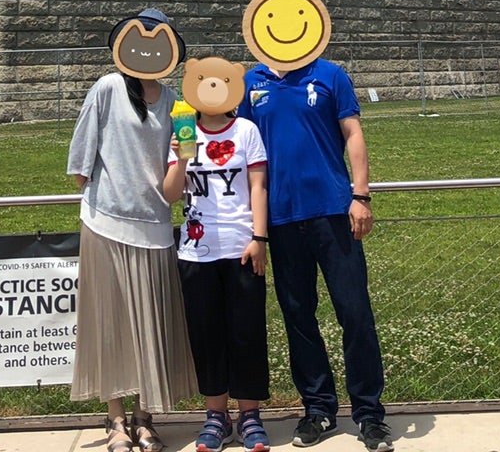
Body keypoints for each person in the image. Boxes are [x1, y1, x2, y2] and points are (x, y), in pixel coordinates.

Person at [243, 41, 394, 452]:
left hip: (332, 211)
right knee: (298, 316)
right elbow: (241, 149)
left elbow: (353, 132)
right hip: (281, 218)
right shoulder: (250, 81)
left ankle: (369, 413)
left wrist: (360, 196)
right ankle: (318, 408)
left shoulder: (329, 74)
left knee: (355, 313)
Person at [68, 8, 198, 452]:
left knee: (151, 325)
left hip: (155, 224)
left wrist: (182, 159)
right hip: (105, 222)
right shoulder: (106, 88)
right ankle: (116, 421)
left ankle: (146, 417)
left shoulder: (175, 100)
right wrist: (100, 198)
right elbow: (81, 159)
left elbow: (175, 169)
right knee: (110, 325)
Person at [163, 60, 271, 452]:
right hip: (196, 252)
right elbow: (171, 194)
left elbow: (258, 187)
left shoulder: (247, 131)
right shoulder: (181, 132)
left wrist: (259, 237)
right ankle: (215, 415)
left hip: (241, 247)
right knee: (206, 334)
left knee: (246, 331)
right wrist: (183, 156)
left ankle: (250, 414)